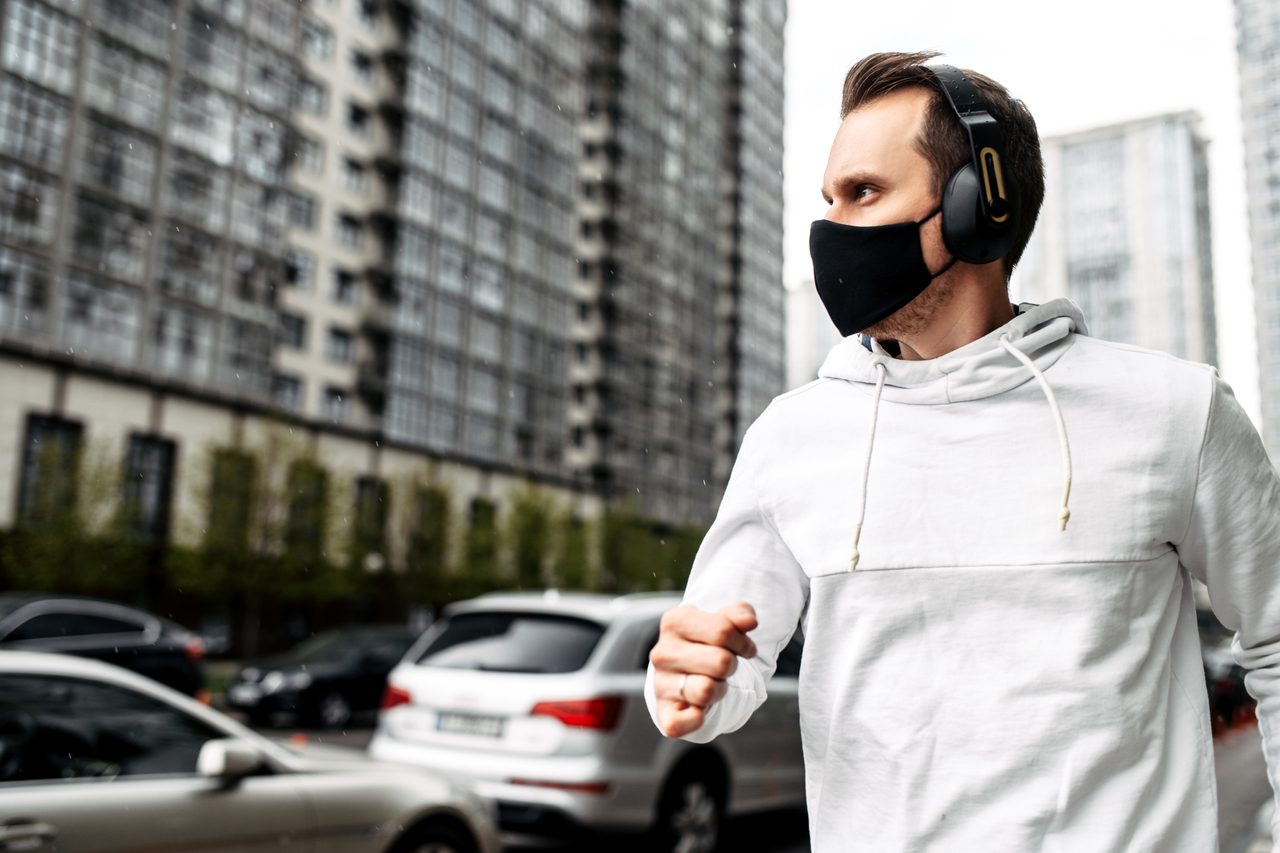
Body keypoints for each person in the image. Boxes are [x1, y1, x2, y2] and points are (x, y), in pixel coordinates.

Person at [645, 51, 1280, 851]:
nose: (831, 228)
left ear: (979, 204)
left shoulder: (1176, 412)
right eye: (829, 199)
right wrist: (686, 679)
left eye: (863, 192)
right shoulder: (789, 436)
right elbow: (722, 674)